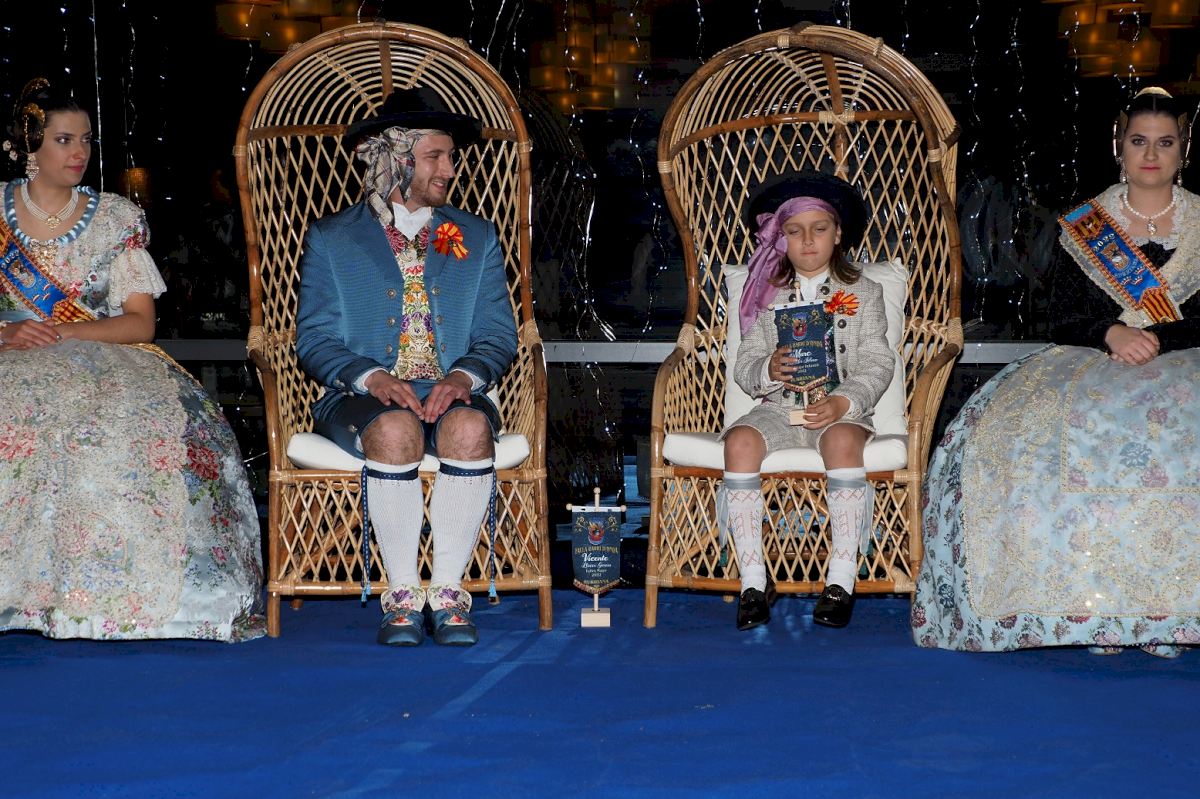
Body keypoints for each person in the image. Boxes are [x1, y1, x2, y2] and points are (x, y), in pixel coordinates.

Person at [913, 87, 1200, 657]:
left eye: (1165, 143)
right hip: (1093, 357)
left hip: (1183, 357)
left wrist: (1158, 339)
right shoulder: (1086, 225)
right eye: (1138, 141)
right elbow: (1061, 314)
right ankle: (1091, 608)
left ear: (1184, 150)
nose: (1150, 155)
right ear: (1118, 147)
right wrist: (1111, 333)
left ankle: (1170, 609)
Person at [0, 78, 264, 641]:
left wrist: (63, 335)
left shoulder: (114, 218)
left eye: (86, 141)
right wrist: (8, 332)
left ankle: (113, 598)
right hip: (9, 357)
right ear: (29, 146)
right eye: (64, 140)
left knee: (120, 430)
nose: (79, 153)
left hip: (102, 358)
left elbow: (141, 322)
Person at [296, 87, 517, 648]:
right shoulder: (332, 238)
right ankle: (400, 593)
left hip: (451, 390)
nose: (450, 169)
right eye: (435, 157)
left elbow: (498, 335)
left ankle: (447, 593)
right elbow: (314, 340)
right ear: (396, 159)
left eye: (451, 156)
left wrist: (462, 378)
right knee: (394, 429)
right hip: (360, 397)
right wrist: (372, 378)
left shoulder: (475, 236)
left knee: (470, 427)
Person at [722, 171, 894, 631]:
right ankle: (753, 581)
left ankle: (840, 579)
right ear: (782, 238)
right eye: (795, 231)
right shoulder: (766, 294)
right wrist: (767, 369)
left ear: (837, 234)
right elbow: (745, 363)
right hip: (779, 409)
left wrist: (845, 402)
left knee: (841, 441)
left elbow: (878, 362)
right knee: (739, 441)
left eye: (819, 229)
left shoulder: (864, 292)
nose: (808, 240)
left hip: (837, 410)